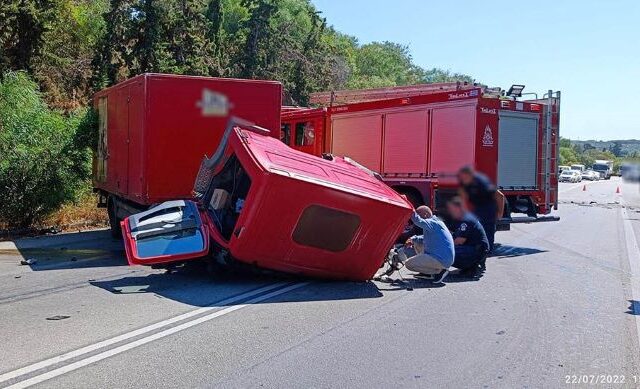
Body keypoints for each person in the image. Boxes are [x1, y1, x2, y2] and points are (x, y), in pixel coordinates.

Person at [393, 205, 455, 283]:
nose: (418, 217)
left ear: (425, 214)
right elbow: (426, 238)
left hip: (441, 259)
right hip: (443, 258)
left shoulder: (432, 222)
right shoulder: (437, 223)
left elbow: (418, 221)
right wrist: (413, 239)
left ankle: (439, 272)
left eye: (419, 215)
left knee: (408, 264)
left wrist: (411, 209)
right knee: (417, 243)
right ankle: (428, 273)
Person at [457, 166, 505, 251]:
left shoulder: (482, 182)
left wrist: (500, 213)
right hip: (477, 211)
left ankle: (486, 253)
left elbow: (500, 196)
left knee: (487, 239)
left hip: (488, 212)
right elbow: (463, 196)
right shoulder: (465, 183)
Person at [446, 197, 490, 275]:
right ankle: (470, 266)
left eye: (451, 209)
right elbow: (447, 231)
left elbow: (458, 241)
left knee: (446, 252)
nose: (450, 211)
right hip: (474, 249)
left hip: (477, 251)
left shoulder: (466, 220)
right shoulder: (460, 218)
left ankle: (473, 266)